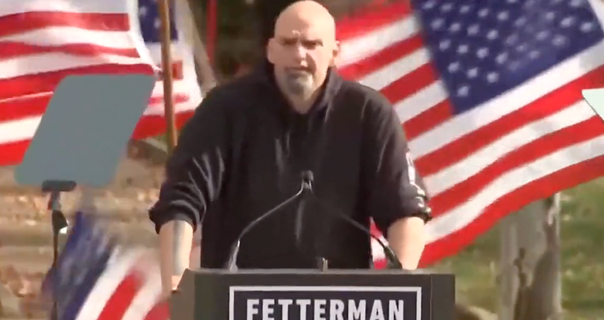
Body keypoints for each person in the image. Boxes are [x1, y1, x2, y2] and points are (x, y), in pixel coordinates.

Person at [148, 0, 431, 295]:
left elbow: (405, 209)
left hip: (340, 303)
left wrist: (400, 284)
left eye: (311, 44)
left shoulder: (368, 113)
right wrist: (176, 279)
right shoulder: (224, 110)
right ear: (270, 50)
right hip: (236, 299)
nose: (298, 54)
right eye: (288, 43)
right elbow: (181, 200)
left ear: (334, 53)